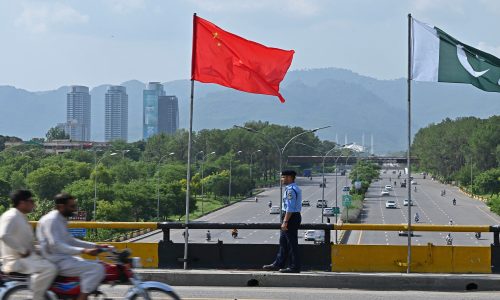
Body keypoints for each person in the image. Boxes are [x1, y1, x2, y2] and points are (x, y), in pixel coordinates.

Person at [37, 193, 108, 300]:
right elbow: (56, 244)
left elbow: (71, 240)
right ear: (61, 206)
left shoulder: (61, 219)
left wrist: (96, 245)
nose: (74, 209)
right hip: (56, 260)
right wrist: (84, 250)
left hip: (63, 257)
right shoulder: (51, 220)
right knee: (97, 268)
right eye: (72, 206)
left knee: (98, 264)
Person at [0, 190, 57, 300]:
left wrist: (40, 250)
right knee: (51, 268)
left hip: (26, 258)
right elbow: (4, 235)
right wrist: (22, 250)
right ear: (22, 203)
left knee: (54, 260)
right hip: (17, 260)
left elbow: (25, 242)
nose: (34, 204)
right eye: (31, 201)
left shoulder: (20, 216)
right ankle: (37, 297)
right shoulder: (11, 216)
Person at [263, 170, 302, 273]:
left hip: (290, 217)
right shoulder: (290, 188)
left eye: (283, 177)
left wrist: (285, 221)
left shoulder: (291, 190)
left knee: (291, 244)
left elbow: (290, 207)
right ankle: (278, 263)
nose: (282, 179)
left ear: (289, 177)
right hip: (289, 216)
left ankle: (294, 267)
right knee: (283, 242)